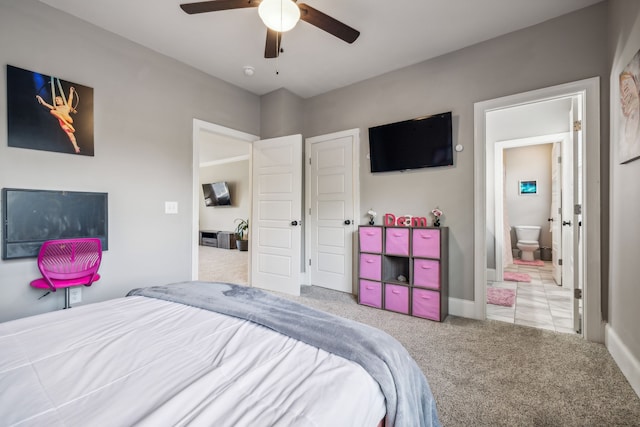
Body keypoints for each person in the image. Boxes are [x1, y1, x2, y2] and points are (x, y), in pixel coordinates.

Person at [36, 86, 80, 153]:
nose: (56, 101)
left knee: (53, 111)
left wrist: (71, 91)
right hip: (63, 122)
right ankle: (76, 147)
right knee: (52, 111)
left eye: (58, 99)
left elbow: (70, 98)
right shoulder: (56, 108)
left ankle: (68, 124)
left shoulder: (67, 106)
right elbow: (45, 104)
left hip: (68, 119)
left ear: (62, 100)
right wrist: (40, 98)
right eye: (55, 100)